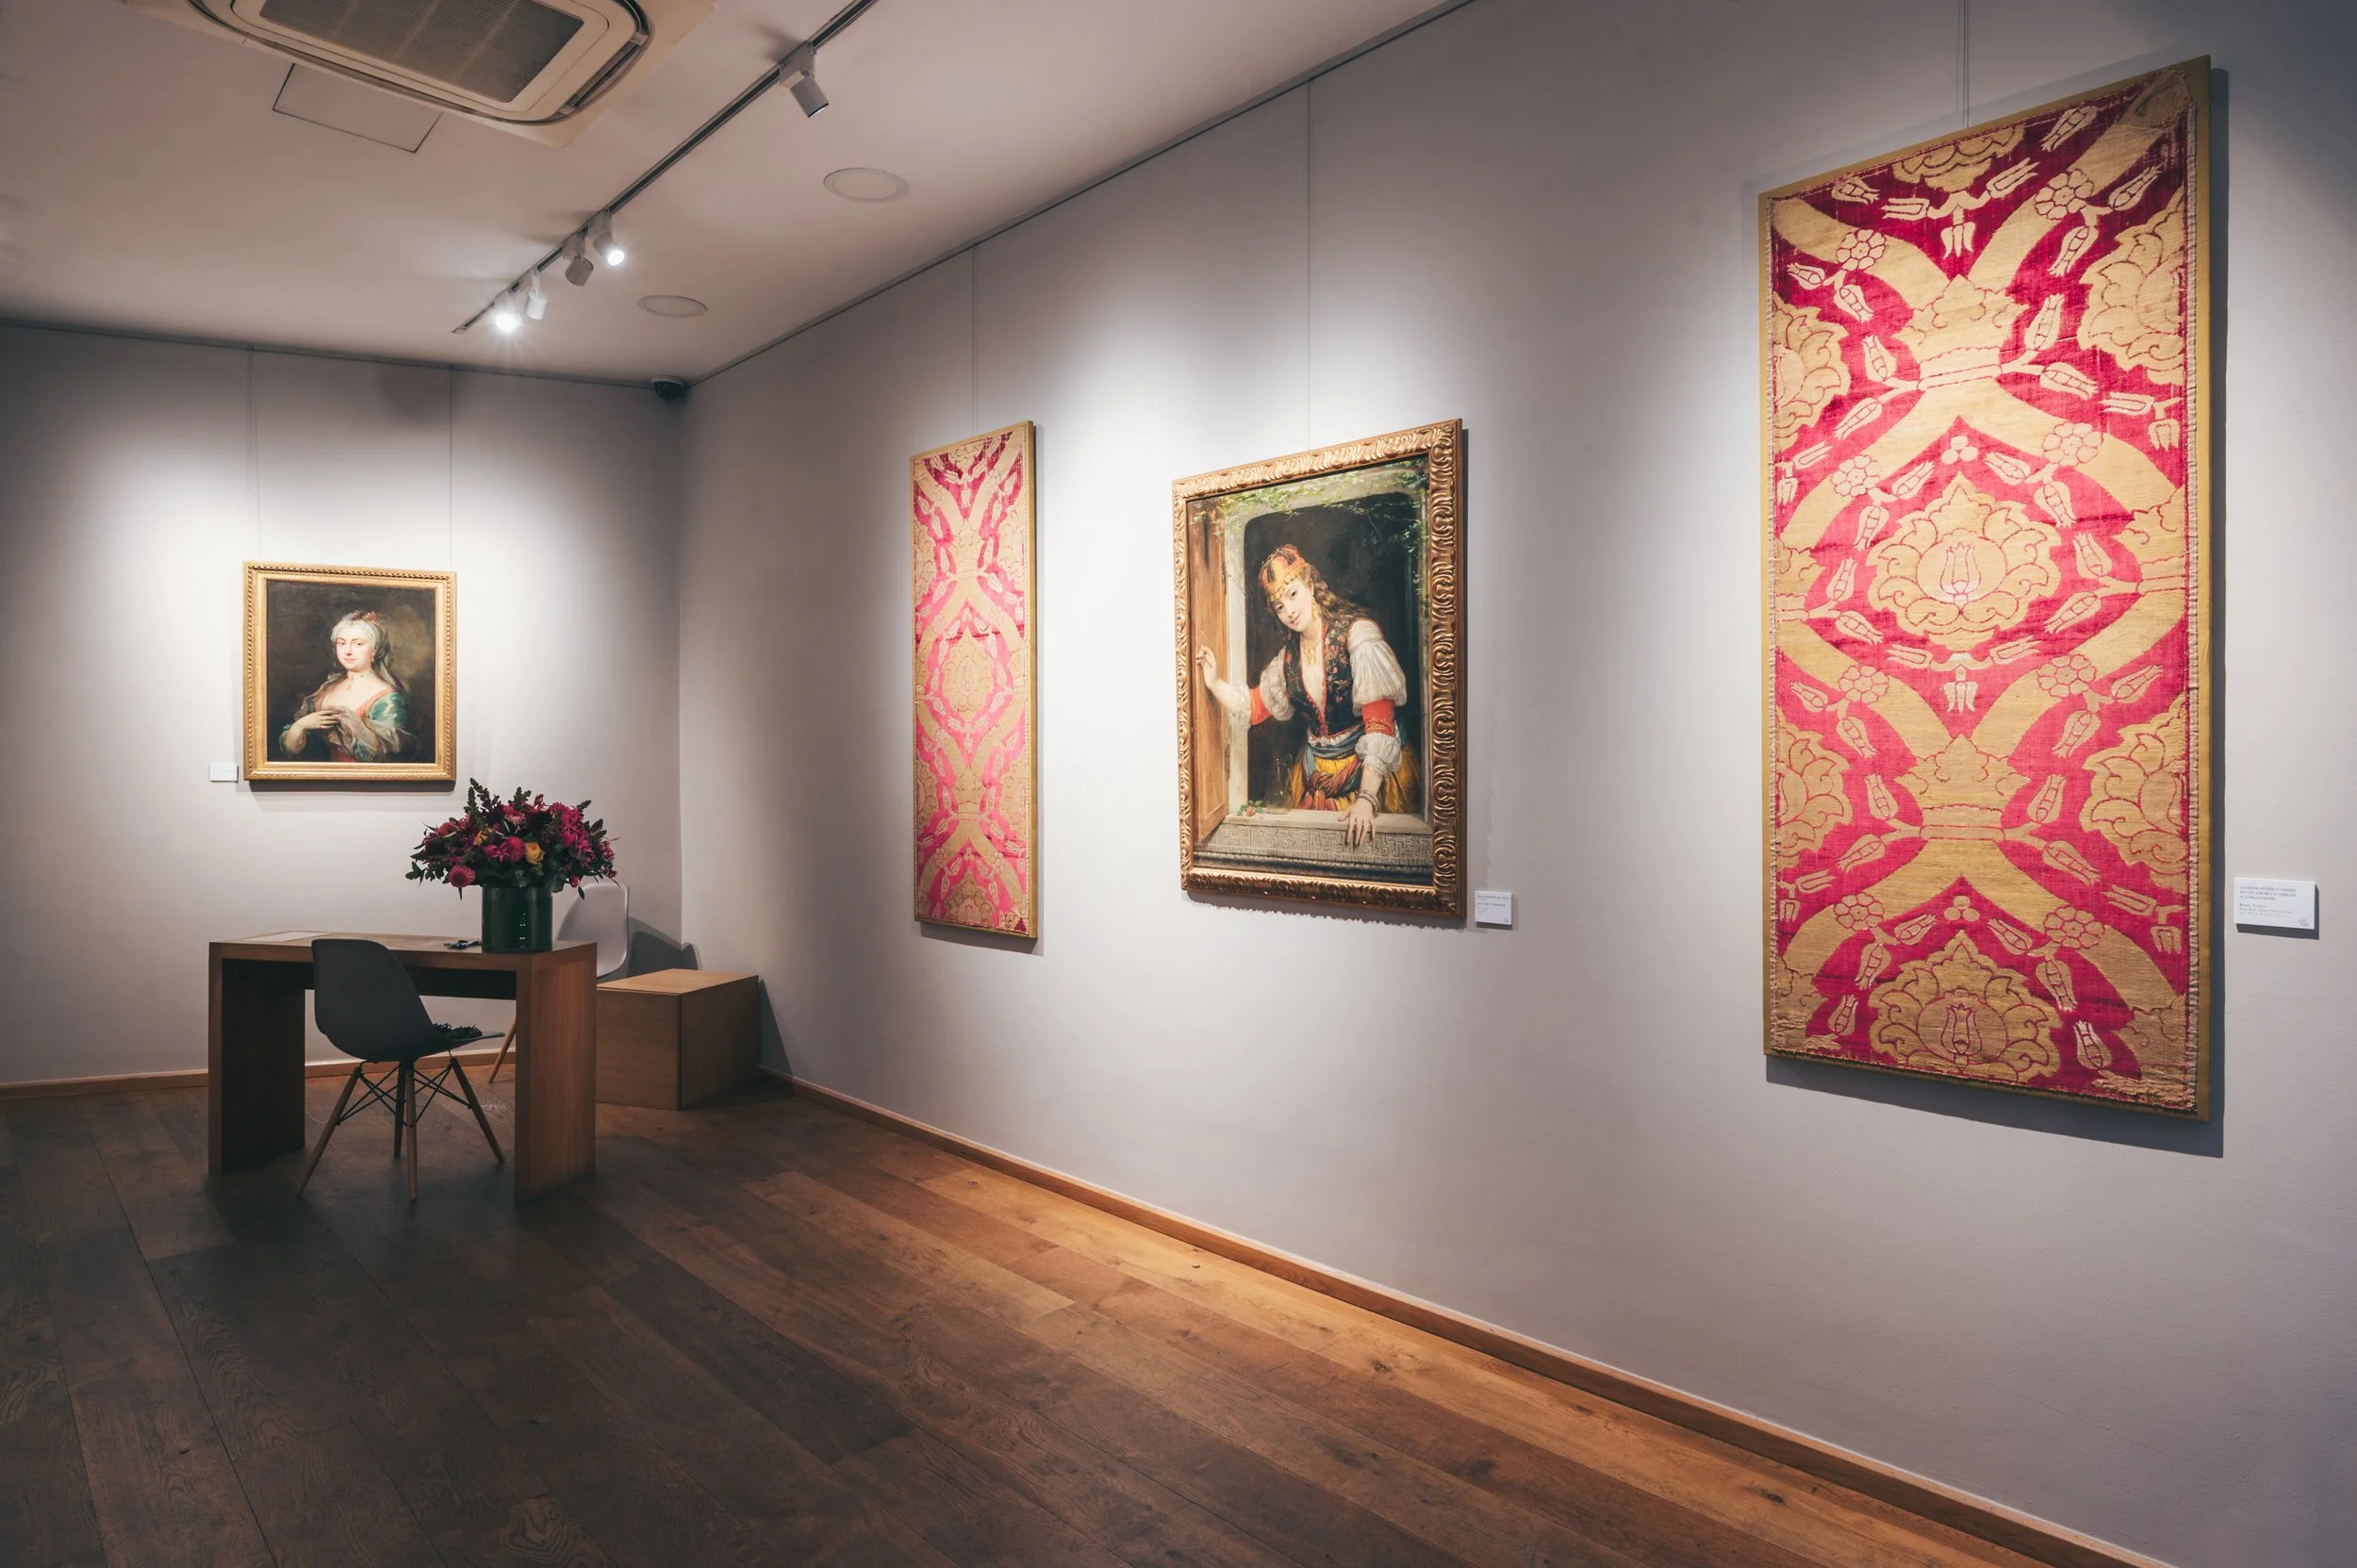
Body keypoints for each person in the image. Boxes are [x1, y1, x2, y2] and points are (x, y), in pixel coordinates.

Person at [1197, 544, 1418, 847]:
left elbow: (1380, 723)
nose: (1289, 611)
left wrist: (1367, 798)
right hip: (1315, 775)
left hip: (1371, 775)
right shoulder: (1287, 659)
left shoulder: (1358, 635)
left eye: (1293, 594)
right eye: (1279, 606)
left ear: (1311, 585)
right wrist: (1213, 683)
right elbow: (1254, 707)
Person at [280, 610, 411, 762]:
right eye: (341, 643)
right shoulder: (328, 688)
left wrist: (355, 726)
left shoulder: (387, 698)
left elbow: (387, 756)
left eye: (358, 644)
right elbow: (295, 748)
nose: (347, 651)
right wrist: (300, 726)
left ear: (374, 650)